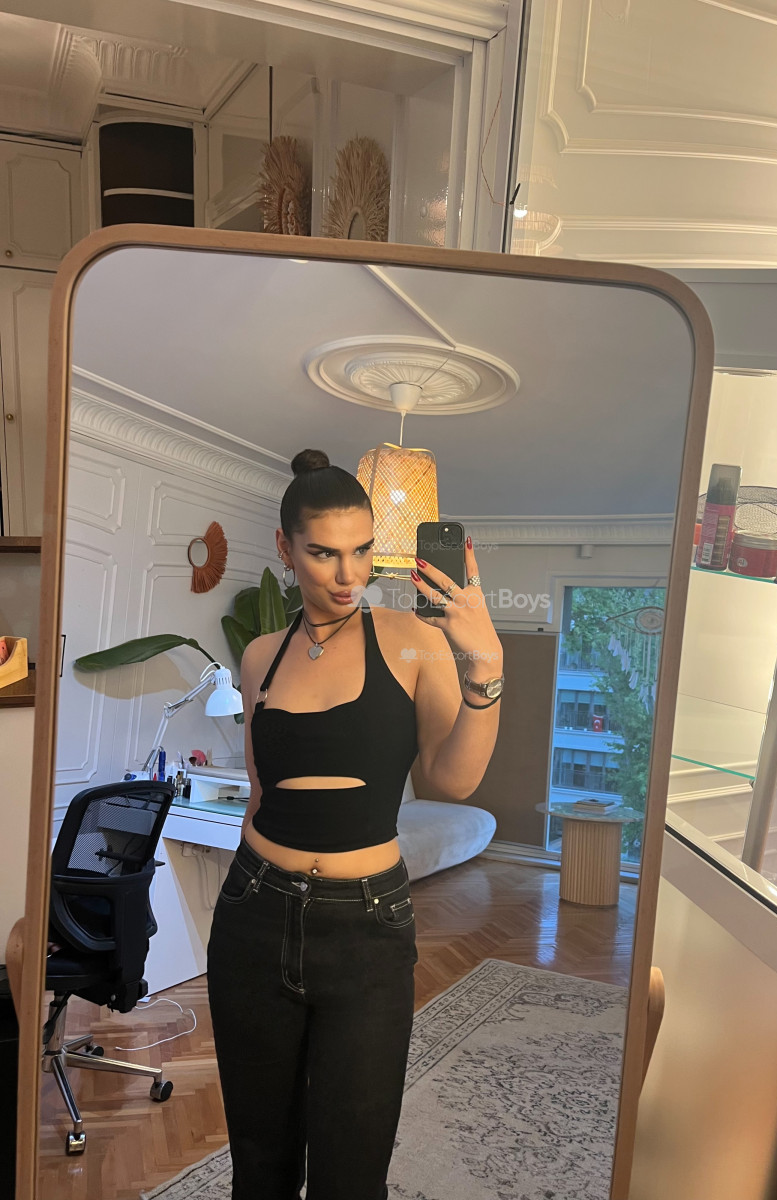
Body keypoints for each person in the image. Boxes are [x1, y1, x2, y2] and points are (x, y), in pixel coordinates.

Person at [206, 448, 505, 1200]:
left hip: (366, 927)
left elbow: (453, 780)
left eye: (362, 550)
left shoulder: (411, 640)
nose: (349, 575)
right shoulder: (260, 657)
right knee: (260, 1164)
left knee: (353, 1168)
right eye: (324, 554)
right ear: (285, 549)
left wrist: (485, 667)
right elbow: (260, 789)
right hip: (253, 915)